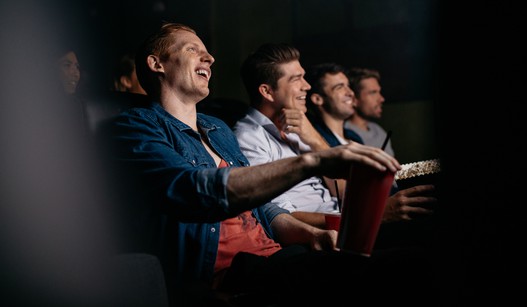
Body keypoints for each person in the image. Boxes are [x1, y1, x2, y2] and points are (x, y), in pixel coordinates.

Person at [100, 23, 437, 307]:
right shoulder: (135, 126)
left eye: (207, 51)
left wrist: (311, 235)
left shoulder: (217, 128)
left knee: (419, 251)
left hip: (275, 256)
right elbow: (191, 191)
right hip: (228, 274)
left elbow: (263, 210)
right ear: (157, 64)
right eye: (192, 49)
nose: (210, 57)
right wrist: (312, 161)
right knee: (409, 269)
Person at [304, 62, 437, 229]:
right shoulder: (317, 138)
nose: (350, 93)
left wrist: (422, 169)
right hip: (366, 215)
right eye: (340, 87)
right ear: (317, 99)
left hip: (387, 195)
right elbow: (344, 188)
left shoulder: (354, 136)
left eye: (348, 86)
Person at [233, 43, 341, 228]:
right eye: (296, 79)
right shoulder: (248, 138)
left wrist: (314, 138)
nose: (306, 86)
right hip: (324, 232)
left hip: (340, 214)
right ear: (267, 91)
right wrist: (350, 221)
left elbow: (341, 188)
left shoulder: (297, 125)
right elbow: (277, 215)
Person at [344, 67, 394, 156]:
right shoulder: (344, 135)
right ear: (354, 99)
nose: (381, 99)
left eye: (379, 92)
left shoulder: (379, 131)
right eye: (373, 92)